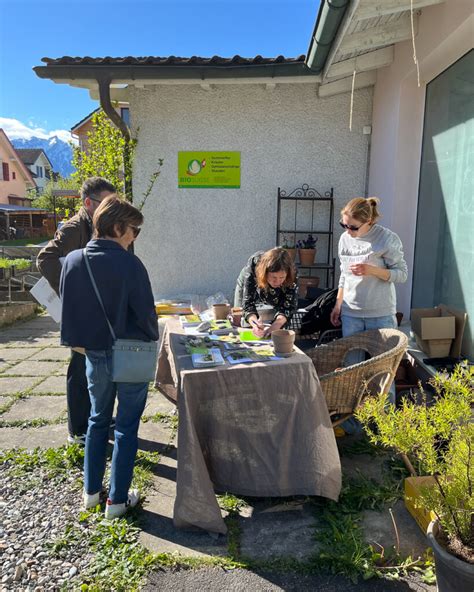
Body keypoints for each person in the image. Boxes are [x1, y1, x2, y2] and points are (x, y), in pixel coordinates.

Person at [60, 196, 158, 519]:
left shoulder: (73, 261)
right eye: (134, 230)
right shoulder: (132, 265)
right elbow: (147, 319)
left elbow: (69, 319)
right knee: (126, 427)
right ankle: (116, 501)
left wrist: (86, 348)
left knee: (96, 420)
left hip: (94, 355)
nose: (134, 237)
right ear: (118, 227)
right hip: (130, 355)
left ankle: (90, 494)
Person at [37, 177, 116, 445]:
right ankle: (78, 429)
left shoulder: (97, 224)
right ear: (88, 203)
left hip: (97, 307)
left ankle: (98, 418)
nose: (111, 209)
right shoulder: (73, 229)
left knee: (98, 365)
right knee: (80, 365)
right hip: (80, 309)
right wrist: (72, 291)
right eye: (107, 203)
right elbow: (45, 259)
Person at [330, 197, 408, 431]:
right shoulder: (345, 239)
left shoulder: (386, 239)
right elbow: (344, 274)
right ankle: (354, 425)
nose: (349, 231)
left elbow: (401, 274)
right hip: (351, 313)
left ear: (370, 221)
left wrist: (372, 270)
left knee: (383, 372)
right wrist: (338, 304)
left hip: (380, 314)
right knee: (352, 371)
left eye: (353, 227)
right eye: (344, 225)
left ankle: (384, 427)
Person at [235, 247, 298, 338]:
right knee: (239, 315)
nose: (277, 281)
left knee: (278, 326)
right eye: (274, 277)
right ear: (265, 273)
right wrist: (255, 323)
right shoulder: (255, 264)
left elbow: (288, 307)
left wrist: (274, 327)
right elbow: (248, 303)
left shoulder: (292, 273)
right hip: (252, 279)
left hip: (276, 284)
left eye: (281, 277)